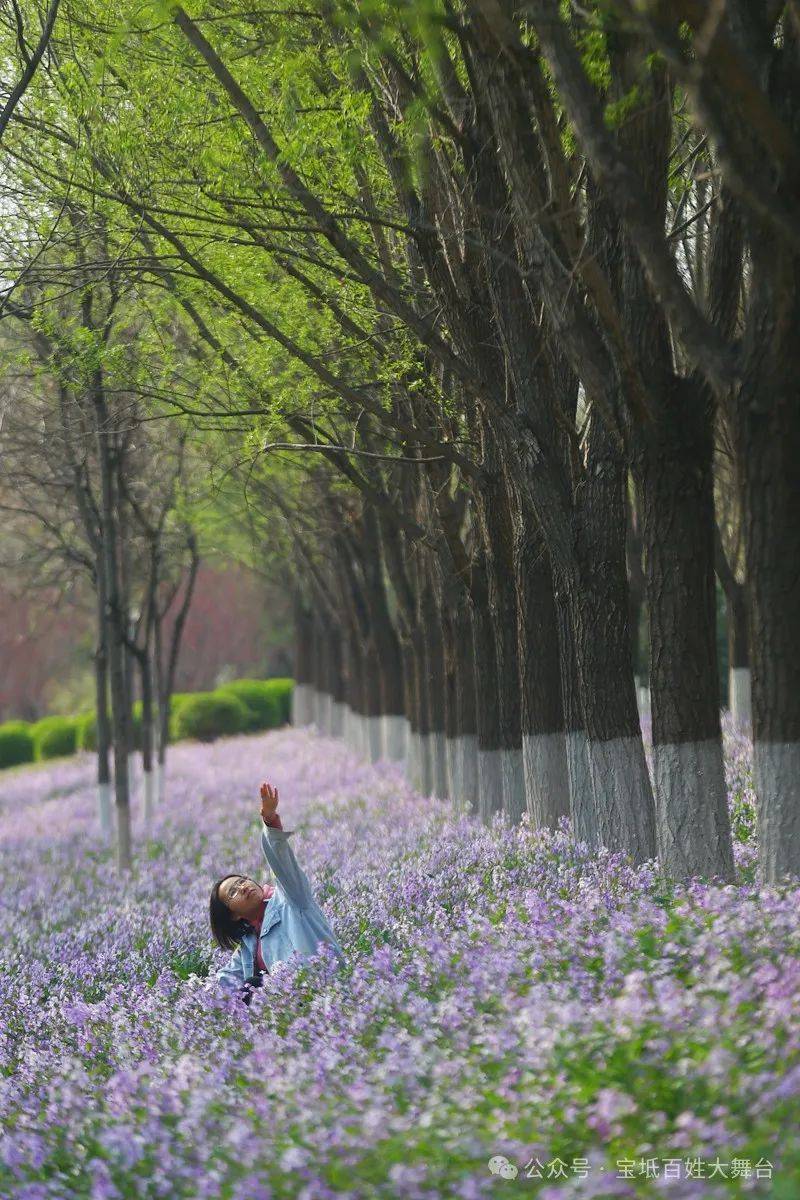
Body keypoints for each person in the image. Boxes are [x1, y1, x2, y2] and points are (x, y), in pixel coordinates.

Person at [209, 781, 345, 1002]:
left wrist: (270, 823)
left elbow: (284, 866)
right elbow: (223, 982)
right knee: (250, 986)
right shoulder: (249, 943)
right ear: (232, 914)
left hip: (323, 998)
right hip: (288, 1017)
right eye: (233, 892)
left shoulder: (290, 900)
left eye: (242, 880)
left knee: (253, 986)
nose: (243, 887)